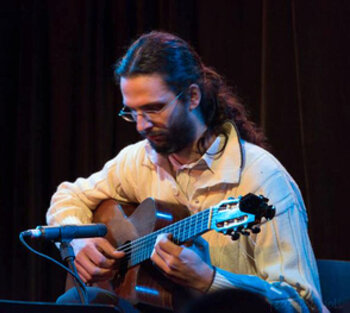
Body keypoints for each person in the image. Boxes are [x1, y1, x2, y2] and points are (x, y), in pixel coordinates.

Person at [46, 31, 327, 313]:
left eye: (154, 109)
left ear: (192, 97)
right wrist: (80, 242)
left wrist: (208, 280)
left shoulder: (262, 178)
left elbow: (304, 303)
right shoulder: (138, 161)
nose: (141, 125)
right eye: (132, 112)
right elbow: (68, 196)